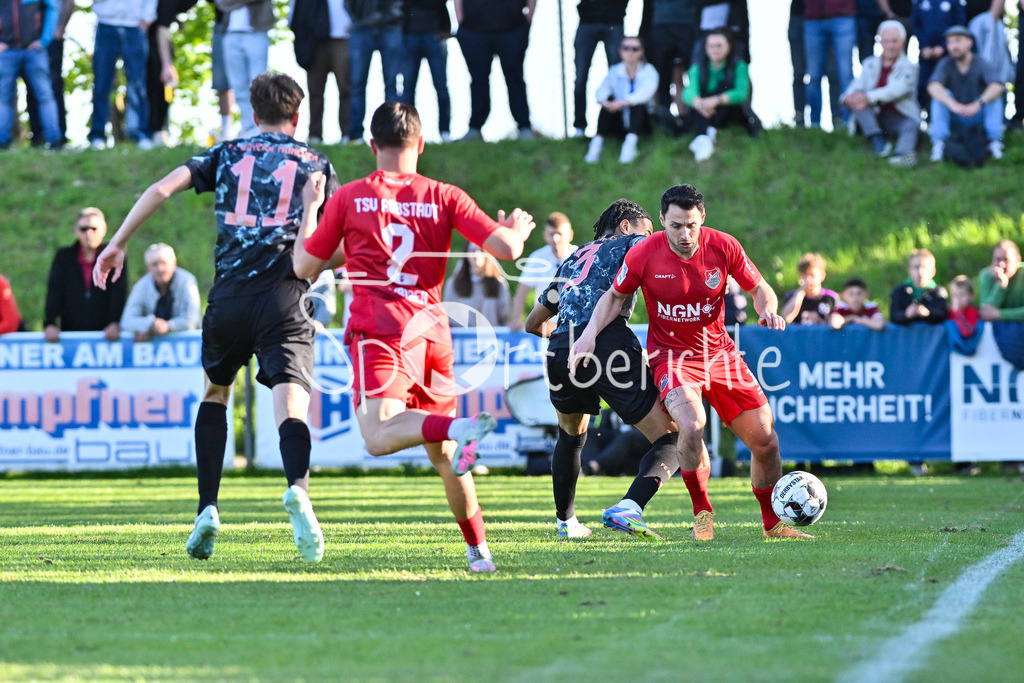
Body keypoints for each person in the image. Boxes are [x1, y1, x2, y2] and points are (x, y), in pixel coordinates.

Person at [93, 73, 337, 564]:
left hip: (229, 298)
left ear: (253, 114)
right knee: (291, 405)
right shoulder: (316, 165)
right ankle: (298, 490)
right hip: (285, 298)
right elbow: (334, 237)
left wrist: (116, 243)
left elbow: (161, 189)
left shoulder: (226, 153)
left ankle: (207, 508)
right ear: (297, 116)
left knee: (215, 394)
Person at [292, 101, 536, 572]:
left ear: (372, 145)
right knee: (446, 456)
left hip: (382, 333)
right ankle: (479, 553)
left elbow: (304, 265)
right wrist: (516, 230)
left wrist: (310, 209)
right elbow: (506, 249)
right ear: (420, 144)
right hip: (432, 334)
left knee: (378, 436)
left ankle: (458, 428)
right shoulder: (444, 195)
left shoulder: (351, 197)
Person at [571, 184, 812, 540]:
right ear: (662, 220)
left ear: (703, 219)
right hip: (671, 357)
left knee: (767, 442)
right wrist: (589, 334)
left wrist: (767, 310)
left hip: (721, 355)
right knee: (692, 424)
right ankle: (702, 513)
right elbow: (614, 296)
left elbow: (760, 287)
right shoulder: (644, 253)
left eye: (691, 225)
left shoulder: (724, 246)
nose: (684, 234)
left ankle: (773, 524)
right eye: (676, 226)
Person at [523, 199, 681, 540]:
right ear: (626, 226)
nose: (649, 237)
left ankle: (567, 523)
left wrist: (566, 337)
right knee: (675, 436)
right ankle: (629, 507)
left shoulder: (574, 257)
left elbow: (532, 323)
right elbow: (675, 249)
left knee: (570, 437)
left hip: (560, 348)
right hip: (607, 343)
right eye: (647, 230)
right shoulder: (632, 243)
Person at [841, 19, 919, 167]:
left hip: (898, 115)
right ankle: (877, 140)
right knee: (858, 100)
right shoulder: (869, 63)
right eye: (886, 41)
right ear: (879, 42)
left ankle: (902, 155)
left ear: (903, 42)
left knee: (911, 125)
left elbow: (895, 90)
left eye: (894, 41)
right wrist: (847, 98)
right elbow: (856, 85)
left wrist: (868, 97)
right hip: (873, 115)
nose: (890, 45)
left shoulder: (911, 67)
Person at [455, 0, 535, 140]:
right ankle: (475, 128)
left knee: (515, 79)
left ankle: (524, 127)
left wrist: (529, 19)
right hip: (474, 29)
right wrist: (461, 21)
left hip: (513, 28)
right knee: (478, 81)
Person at [45, 208, 127, 344]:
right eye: (83, 229)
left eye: (94, 228)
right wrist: (50, 322)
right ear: (76, 231)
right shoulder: (64, 257)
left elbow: (119, 291)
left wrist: (114, 322)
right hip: (71, 333)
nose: (88, 233)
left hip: (106, 336)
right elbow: (54, 290)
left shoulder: (114, 256)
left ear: (104, 229)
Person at [927, 25, 1005, 162]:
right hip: (956, 116)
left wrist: (977, 104)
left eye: (957, 41)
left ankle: (994, 141)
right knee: (941, 94)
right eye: (949, 42)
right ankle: (939, 143)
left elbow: (997, 86)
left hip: (977, 116)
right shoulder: (945, 63)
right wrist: (953, 105)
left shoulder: (980, 62)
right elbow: (933, 86)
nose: (953, 46)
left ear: (969, 42)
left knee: (994, 95)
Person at [683, 28, 761, 162]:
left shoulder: (739, 65)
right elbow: (688, 92)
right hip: (704, 110)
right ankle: (705, 136)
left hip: (731, 113)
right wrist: (699, 103)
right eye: (711, 46)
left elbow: (741, 93)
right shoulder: (698, 66)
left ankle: (705, 134)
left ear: (729, 47)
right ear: (705, 48)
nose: (715, 49)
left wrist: (717, 100)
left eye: (719, 45)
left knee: (723, 87)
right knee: (701, 96)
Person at [89, 0, 157, 150]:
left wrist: (147, 18)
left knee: (137, 85)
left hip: (135, 26)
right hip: (106, 24)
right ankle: (97, 135)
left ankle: (140, 133)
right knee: (101, 84)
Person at [0, 0, 65, 150]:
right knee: (3, 97)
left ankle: (55, 141)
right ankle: (2, 142)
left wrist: (44, 40)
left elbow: (52, 9)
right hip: (7, 52)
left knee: (45, 95)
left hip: (35, 51)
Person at [583, 36, 658, 165]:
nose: (630, 52)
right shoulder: (615, 71)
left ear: (641, 51)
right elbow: (601, 91)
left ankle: (630, 146)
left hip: (643, 122)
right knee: (608, 103)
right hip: (620, 121)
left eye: (635, 49)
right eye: (626, 48)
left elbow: (645, 94)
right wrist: (607, 103)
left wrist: (623, 103)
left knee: (637, 105)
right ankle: (596, 145)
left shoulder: (649, 70)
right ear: (620, 51)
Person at [291, 0, 352, 145]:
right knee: (315, 91)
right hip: (314, 40)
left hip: (343, 37)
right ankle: (315, 135)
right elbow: (295, 15)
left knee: (346, 88)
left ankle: (348, 134)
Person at [346, 0, 402, 145]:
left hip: (391, 25)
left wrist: (390, 16)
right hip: (362, 26)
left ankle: (393, 133)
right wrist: (358, 18)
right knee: (357, 83)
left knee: (392, 83)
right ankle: (355, 135)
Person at [120, 243, 201, 342]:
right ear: (148, 268)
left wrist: (167, 326)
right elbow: (126, 321)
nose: (160, 269)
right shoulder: (141, 286)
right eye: (154, 264)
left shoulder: (187, 281)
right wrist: (150, 324)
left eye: (164, 263)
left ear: (174, 263)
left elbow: (191, 321)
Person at [509, 212, 577, 331]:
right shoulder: (537, 258)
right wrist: (516, 319)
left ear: (570, 235)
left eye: (559, 234)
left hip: (574, 324)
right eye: (552, 234)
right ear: (545, 235)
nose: (555, 239)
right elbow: (521, 292)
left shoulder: (580, 256)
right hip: (546, 327)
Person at [216, 0, 274, 139]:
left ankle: (261, 128)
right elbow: (221, 3)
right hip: (230, 34)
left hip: (257, 32)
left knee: (259, 85)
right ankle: (248, 128)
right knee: (238, 86)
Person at [572, 0, 628, 138]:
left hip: (614, 20)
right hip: (587, 20)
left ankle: (619, 127)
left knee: (618, 77)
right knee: (580, 78)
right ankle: (579, 127)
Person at [399, 0, 453, 143]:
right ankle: (406, 132)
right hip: (410, 34)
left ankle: (445, 131)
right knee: (408, 88)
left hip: (435, 33)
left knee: (441, 86)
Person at [24, 0, 73, 148]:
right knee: (31, 88)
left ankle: (58, 138)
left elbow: (68, 3)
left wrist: (58, 30)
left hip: (51, 40)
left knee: (53, 87)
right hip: (26, 42)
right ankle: (37, 138)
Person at [646, 0, 699, 133]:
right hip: (660, 26)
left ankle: (687, 119)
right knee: (662, 77)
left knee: (690, 75)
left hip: (687, 25)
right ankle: (664, 119)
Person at [803, 0, 857, 129]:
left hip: (843, 17)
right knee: (814, 75)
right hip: (813, 18)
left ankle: (849, 123)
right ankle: (814, 124)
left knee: (846, 74)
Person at [911, 0, 965, 112]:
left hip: (949, 55)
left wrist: (944, 47)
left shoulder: (954, 2)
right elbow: (916, 25)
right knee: (922, 85)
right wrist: (924, 46)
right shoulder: (919, 2)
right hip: (926, 54)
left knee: (946, 85)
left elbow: (959, 24)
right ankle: (922, 115)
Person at [442, 242, 512, 326]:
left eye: (481, 250)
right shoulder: (454, 283)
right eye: (472, 250)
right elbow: (447, 316)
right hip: (461, 334)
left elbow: (505, 318)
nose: (476, 254)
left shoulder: (499, 284)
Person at [890, 248, 948, 324]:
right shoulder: (900, 291)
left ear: (933, 271)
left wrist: (928, 313)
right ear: (909, 270)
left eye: (925, 267)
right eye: (916, 267)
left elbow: (943, 315)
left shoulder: (939, 292)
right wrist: (906, 315)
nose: (920, 271)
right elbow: (894, 316)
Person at [780, 252, 838, 325]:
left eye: (812, 275)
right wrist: (800, 292)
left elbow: (838, 319)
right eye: (804, 276)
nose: (808, 280)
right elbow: (786, 317)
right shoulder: (792, 296)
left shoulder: (830, 297)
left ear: (822, 275)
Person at [979, 239, 1024, 322]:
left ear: (1018, 261)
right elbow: (986, 312)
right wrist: (1001, 285)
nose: (1001, 264)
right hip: (997, 325)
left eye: (1006, 259)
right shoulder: (986, 275)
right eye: (998, 259)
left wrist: (999, 314)